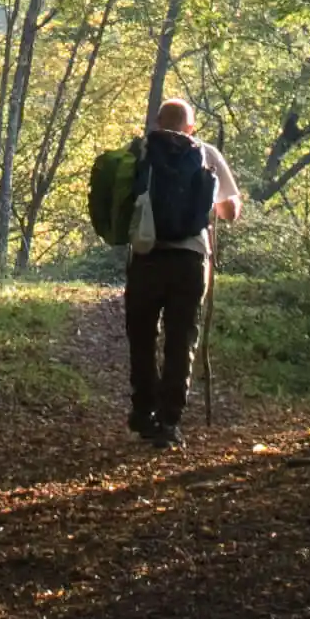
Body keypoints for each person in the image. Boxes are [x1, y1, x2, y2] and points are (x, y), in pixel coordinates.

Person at [124, 93, 241, 445]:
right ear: (191, 127)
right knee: (180, 339)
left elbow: (121, 197)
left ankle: (143, 411)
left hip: (146, 255)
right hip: (190, 259)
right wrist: (210, 199)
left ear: (158, 123)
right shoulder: (205, 152)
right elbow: (231, 212)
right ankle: (169, 421)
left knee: (142, 337)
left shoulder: (140, 150)